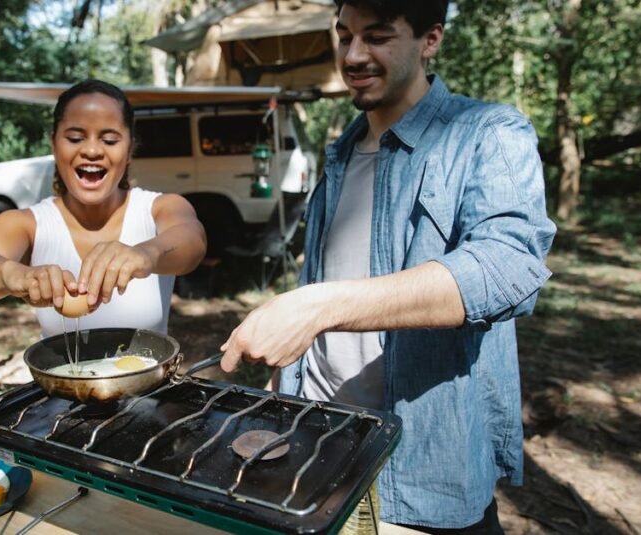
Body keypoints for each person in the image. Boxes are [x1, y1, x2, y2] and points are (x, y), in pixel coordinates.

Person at [219, 1, 557, 533]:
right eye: (344, 35)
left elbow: (508, 265)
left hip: (425, 466)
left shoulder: (487, 132)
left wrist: (320, 307)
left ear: (431, 40)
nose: (353, 55)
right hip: (319, 442)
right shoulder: (341, 153)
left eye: (377, 36)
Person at [0, 80, 206, 337]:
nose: (92, 150)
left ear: (130, 149)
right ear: (54, 144)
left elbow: (192, 240)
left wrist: (147, 253)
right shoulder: (29, 223)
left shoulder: (158, 208)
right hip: (58, 379)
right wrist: (11, 273)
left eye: (109, 140)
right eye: (75, 138)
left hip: (151, 378)